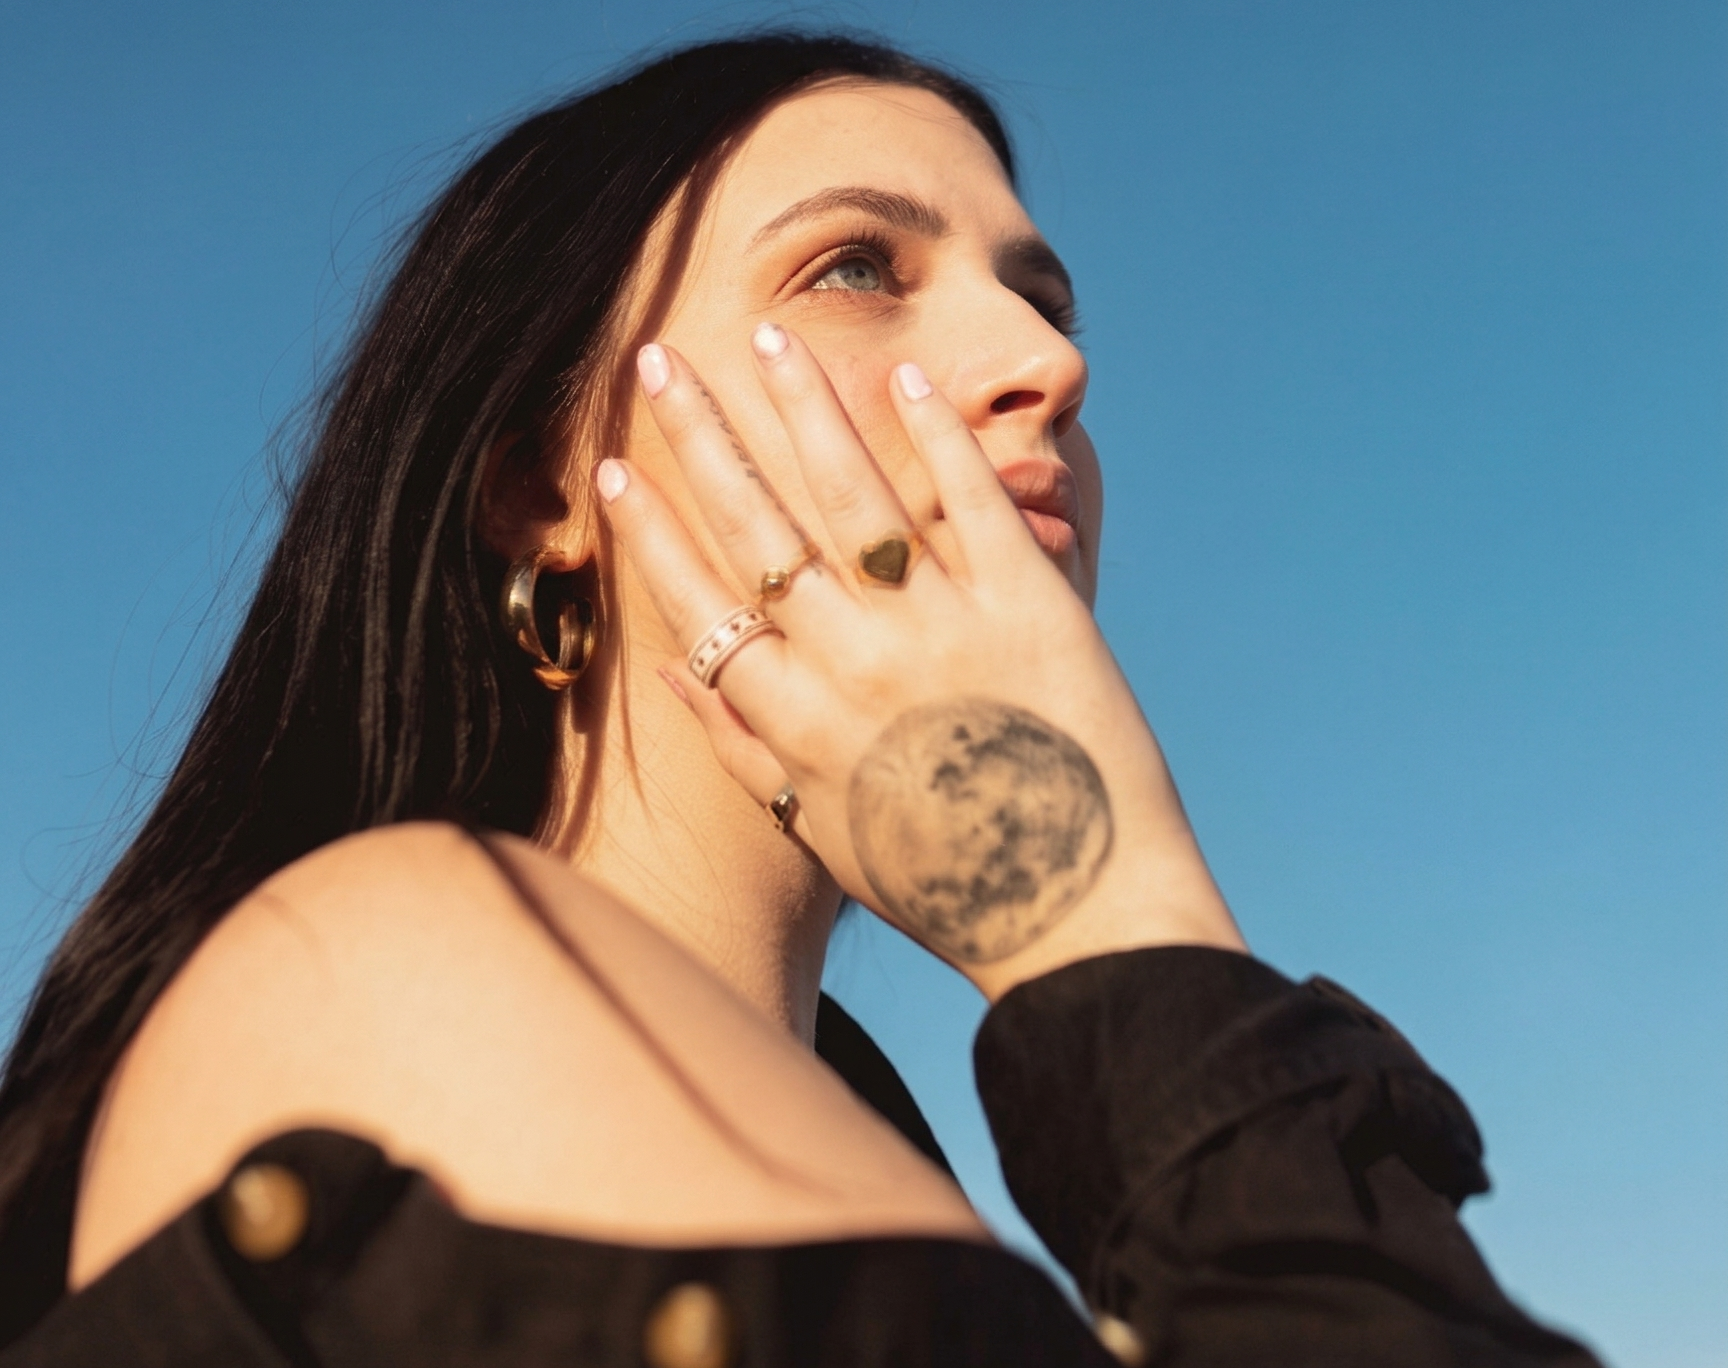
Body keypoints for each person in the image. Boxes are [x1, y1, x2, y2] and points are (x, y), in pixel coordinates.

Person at [0, 32, 1605, 1366]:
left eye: (1041, 298)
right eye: (854, 267)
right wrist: (1102, 910)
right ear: (539, 487)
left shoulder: (869, 1156)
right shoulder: (382, 970)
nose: (1046, 361)